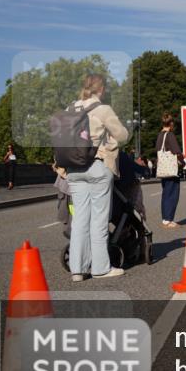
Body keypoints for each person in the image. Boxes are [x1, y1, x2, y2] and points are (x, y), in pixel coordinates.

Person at [65, 74, 129, 280]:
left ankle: (77, 269)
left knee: (80, 220)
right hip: (96, 166)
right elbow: (122, 136)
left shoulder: (70, 109)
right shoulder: (103, 109)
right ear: (101, 90)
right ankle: (101, 268)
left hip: (73, 169)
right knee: (98, 220)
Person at [155, 113, 183, 228]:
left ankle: (165, 218)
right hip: (171, 170)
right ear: (171, 123)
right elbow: (176, 151)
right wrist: (183, 161)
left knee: (165, 193)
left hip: (163, 169)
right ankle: (169, 219)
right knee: (172, 194)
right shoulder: (170, 135)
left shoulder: (159, 135)